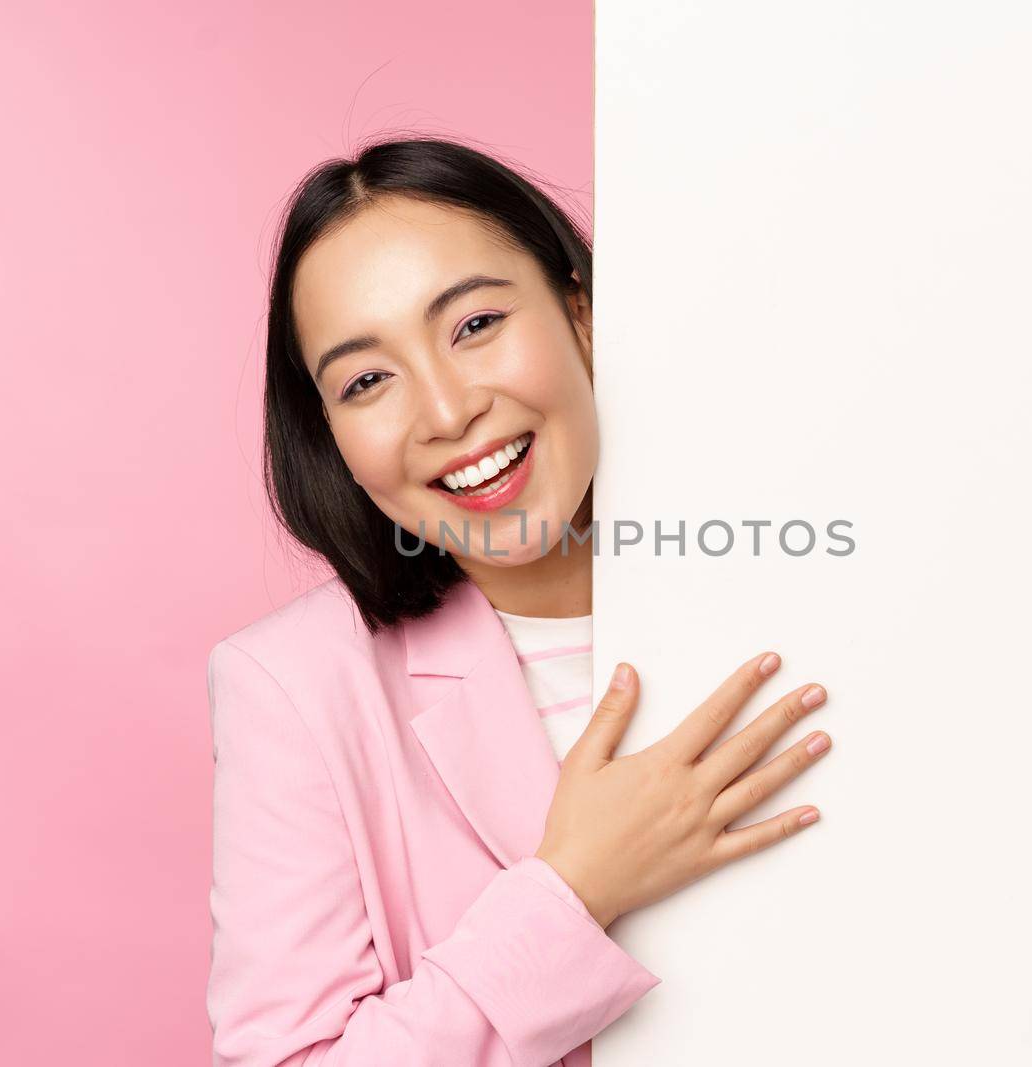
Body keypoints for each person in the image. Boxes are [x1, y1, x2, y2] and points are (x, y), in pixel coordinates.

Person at [206, 137, 833, 1067]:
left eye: (474, 325)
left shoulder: (809, 572)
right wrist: (574, 885)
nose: (449, 411)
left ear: (580, 311)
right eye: (367, 380)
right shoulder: (293, 685)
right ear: (330, 434)